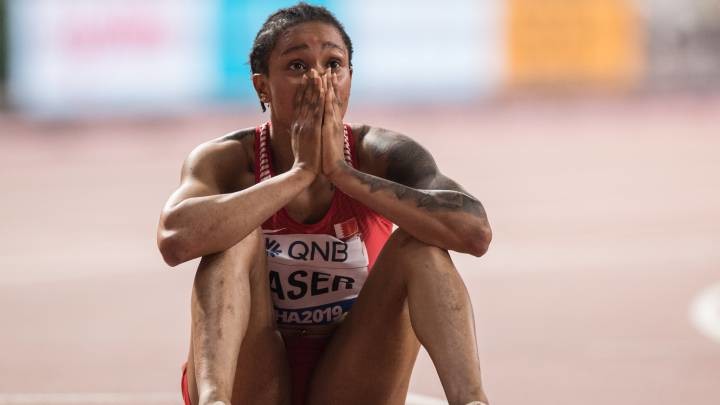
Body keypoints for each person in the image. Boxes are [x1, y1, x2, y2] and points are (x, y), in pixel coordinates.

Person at [157, 3, 492, 405]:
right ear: (262, 87)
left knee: (422, 249)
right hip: (252, 375)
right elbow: (175, 239)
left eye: (334, 64)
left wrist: (342, 174)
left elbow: (475, 233)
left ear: (350, 77)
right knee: (231, 237)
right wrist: (299, 174)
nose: (318, 79)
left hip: (350, 376)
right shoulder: (227, 160)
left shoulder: (378, 154)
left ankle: (472, 401)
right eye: (297, 66)